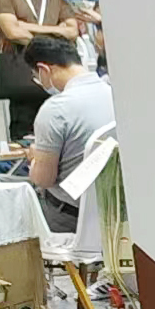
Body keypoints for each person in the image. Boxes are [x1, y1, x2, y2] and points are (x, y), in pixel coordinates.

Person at [21, 35, 112, 233]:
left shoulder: (55, 110)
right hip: (115, 211)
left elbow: (44, 179)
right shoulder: (113, 94)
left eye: (36, 75)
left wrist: (35, 159)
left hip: (71, 218)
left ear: (44, 70)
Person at [0, 0, 79, 140]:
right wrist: (56, 33)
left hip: (57, 77)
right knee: (25, 136)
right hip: (22, 75)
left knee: (61, 132)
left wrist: (27, 26)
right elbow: (13, 32)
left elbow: (72, 31)